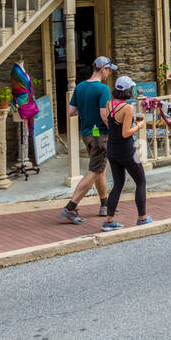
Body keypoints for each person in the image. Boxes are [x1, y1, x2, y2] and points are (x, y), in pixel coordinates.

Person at [61, 55, 115, 225]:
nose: (109, 74)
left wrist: (86, 111)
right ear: (103, 69)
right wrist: (117, 130)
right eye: (109, 70)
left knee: (100, 169)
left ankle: (105, 205)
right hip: (101, 135)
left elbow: (71, 111)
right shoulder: (103, 89)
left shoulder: (80, 87)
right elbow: (104, 115)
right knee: (95, 170)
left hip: (86, 133)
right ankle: (71, 207)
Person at [103, 75, 152, 230]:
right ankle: (142, 218)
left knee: (118, 184)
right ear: (127, 90)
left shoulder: (109, 104)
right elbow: (125, 133)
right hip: (127, 151)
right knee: (141, 181)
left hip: (112, 150)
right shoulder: (128, 108)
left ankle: (109, 221)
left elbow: (113, 125)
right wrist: (139, 125)